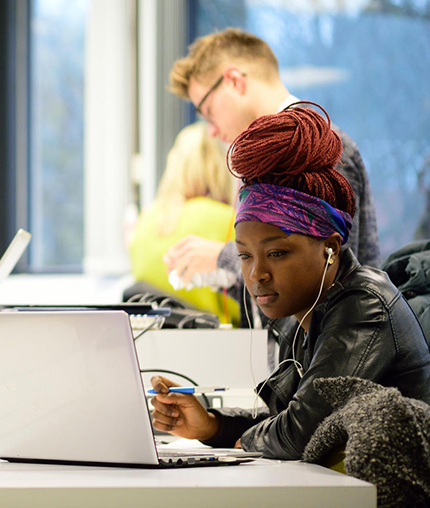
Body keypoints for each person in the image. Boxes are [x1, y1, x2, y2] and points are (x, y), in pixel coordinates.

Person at [149, 103, 430, 460]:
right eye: (245, 255)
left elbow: (300, 433)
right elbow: (282, 420)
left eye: (277, 253)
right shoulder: (300, 315)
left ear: (330, 247)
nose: (257, 274)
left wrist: (241, 440)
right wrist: (211, 426)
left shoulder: (364, 305)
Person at [164, 28, 380, 304]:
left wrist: (222, 257)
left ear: (234, 82)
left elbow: (328, 279)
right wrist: (224, 274)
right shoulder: (261, 160)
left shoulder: (316, 148)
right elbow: (280, 296)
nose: (212, 131)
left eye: (208, 112)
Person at [127, 121, 239, 324]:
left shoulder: (144, 220)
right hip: (216, 339)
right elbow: (245, 306)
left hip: (149, 337)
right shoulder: (228, 219)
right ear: (218, 168)